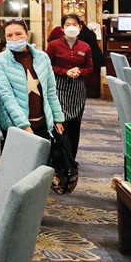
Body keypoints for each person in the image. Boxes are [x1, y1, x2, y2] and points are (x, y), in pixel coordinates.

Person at [0, 18, 65, 141]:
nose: (14, 39)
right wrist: (24, 125)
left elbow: (51, 91)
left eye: (19, 34)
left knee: (45, 153)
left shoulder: (42, 57)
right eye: (9, 35)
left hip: (43, 122)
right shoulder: (0, 61)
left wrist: (57, 118)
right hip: (14, 125)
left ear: (27, 35)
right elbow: (7, 96)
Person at [46, 14, 92, 160]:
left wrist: (79, 72)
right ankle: (59, 159)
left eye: (74, 24)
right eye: (67, 24)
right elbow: (47, 66)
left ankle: (71, 158)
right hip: (59, 86)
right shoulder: (54, 45)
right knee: (60, 121)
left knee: (74, 124)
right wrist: (65, 72)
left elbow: (90, 68)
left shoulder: (85, 47)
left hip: (77, 89)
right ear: (62, 28)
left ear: (80, 27)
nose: (71, 27)